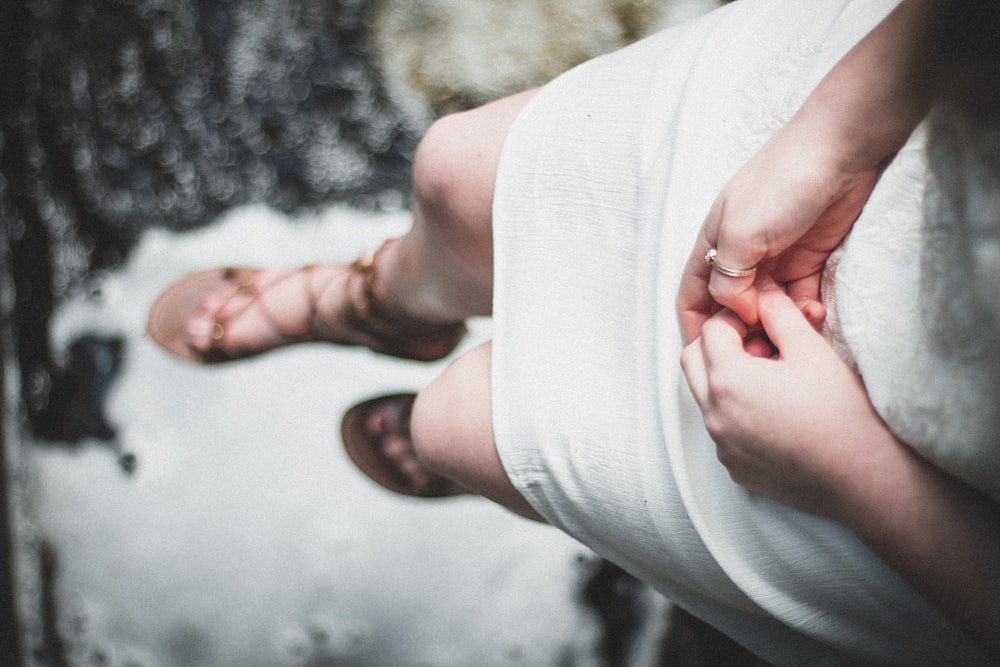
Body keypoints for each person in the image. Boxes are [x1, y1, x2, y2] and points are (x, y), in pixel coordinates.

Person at [146, 0, 1000, 662]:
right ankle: (383, 303)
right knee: (454, 171)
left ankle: (501, 417)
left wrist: (851, 470)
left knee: (451, 422)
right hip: (912, 108)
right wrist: (834, 137)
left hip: (928, 507)